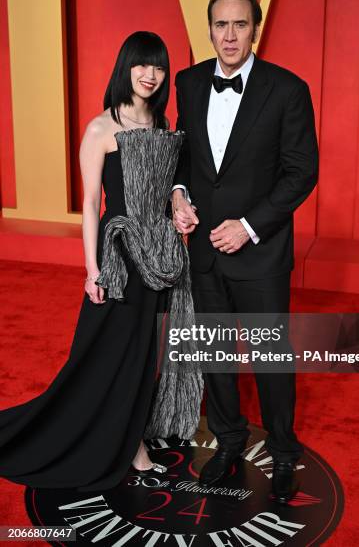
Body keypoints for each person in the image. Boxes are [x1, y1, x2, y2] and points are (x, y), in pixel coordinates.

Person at [0, 31, 200, 491]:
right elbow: (91, 203)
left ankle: (131, 440)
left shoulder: (163, 124)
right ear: (125, 67)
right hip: (119, 254)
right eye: (141, 65)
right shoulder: (100, 128)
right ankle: (115, 442)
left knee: (142, 352)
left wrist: (178, 208)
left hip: (158, 254)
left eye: (158, 67)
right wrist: (92, 270)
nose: (150, 75)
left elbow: (170, 186)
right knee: (103, 352)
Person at [172, 0, 319, 503]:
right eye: (220, 25)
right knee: (213, 352)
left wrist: (249, 226)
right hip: (204, 250)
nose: (229, 35)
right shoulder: (188, 84)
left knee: (270, 357)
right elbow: (184, 157)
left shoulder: (287, 89)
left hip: (259, 251)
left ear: (255, 29)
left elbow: (302, 173)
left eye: (239, 25)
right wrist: (177, 193)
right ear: (208, 28)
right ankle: (229, 440)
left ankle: (282, 453)